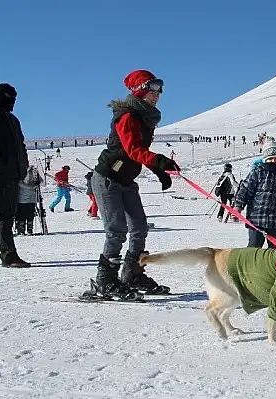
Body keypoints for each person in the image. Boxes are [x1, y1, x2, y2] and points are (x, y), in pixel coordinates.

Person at [83, 69, 179, 301]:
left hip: (126, 180)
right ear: (140, 90)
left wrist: (158, 170)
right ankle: (105, 281)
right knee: (116, 230)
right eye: (153, 88)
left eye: (160, 89)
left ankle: (132, 274)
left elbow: (138, 151)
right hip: (108, 179)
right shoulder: (127, 116)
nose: (158, 93)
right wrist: (158, 160)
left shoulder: (145, 117)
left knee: (139, 228)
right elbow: (132, 150)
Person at [0, 83, 30, 268]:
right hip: (1, 174)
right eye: (8, 97)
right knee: (3, 216)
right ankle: (8, 254)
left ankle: (9, 254)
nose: (12, 102)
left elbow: (20, 146)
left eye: (14, 98)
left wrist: (22, 167)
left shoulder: (13, 120)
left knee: (7, 216)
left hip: (11, 175)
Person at [16, 161, 42, 235]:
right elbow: (20, 184)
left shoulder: (35, 174)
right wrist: (33, 187)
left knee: (30, 214)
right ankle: (21, 229)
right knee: (22, 214)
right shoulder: (21, 174)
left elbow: (41, 181)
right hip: (23, 198)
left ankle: (29, 229)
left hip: (31, 198)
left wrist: (37, 183)